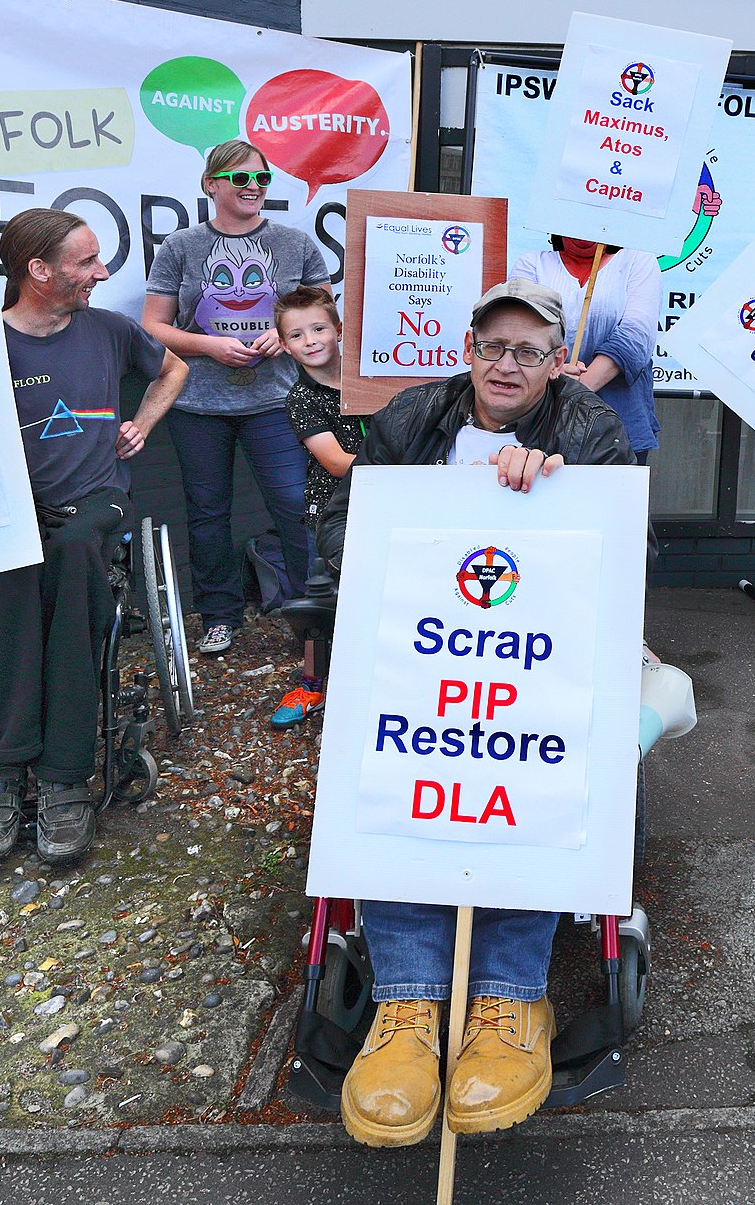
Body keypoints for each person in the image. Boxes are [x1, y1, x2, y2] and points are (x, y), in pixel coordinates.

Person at [317, 278, 632, 1147]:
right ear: (467, 349)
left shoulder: (588, 428)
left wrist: (560, 495)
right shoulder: (412, 414)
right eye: (493, 345)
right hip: (418, 651)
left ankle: (505, 995)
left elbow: (626, 546)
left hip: (535, 660)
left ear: (558, 363)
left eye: (529, 350)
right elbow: (344, 521)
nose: (507, 363)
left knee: (530, 772)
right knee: (397, 770)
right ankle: (410, 1001)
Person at [0, 209, 187, 867]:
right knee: (19, 565)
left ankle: (63, 775)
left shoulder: (107, 329)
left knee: (75, 549)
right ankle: (4, 771)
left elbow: (174, 370)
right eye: (86, 262)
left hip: (96, 501)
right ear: (38, 271)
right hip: (9, 512)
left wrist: (141, 423)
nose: (102, 273)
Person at [143, 139, 331, 658]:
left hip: (278, 401)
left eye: (261, 179)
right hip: (196, 405)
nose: (253, 187)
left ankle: (312, 617)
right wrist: (210, 347)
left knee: (297, 507)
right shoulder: (181, 247)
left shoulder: (295, 244)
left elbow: (324, 318)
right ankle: (219, 617)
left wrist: (285, 334)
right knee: (206, 512)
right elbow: (152, 327)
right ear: (211, 185)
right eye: (240, 178)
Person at [270, 285, 362, 728]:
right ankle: (311, 683)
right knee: (321, 597)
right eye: (297, 335)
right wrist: (398, 462)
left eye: (319, 328)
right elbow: (337, 462)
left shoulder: (371, 378)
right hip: (332, 510)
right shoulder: (302, 399)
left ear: (339, 329)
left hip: (387, 504)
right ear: (283, 344)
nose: (310, 340)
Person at [511, 236, 661, 463]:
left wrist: (575, 390)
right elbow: (517, 331)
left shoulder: (638, 261)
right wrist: (553, 372)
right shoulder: (533, 264)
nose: (582, 237)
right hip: (538, 415)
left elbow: (637, 336)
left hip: (619, 415)